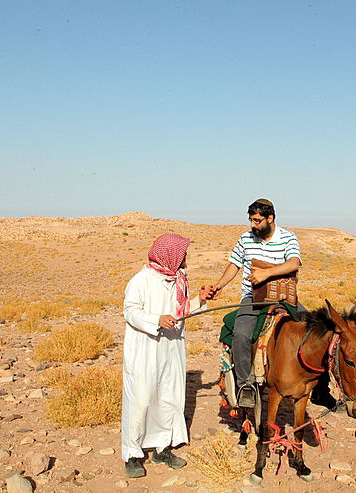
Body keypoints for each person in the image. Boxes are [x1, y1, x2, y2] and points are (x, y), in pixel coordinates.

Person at [206, 198, 337, 410]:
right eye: (251, 220)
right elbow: (234, 264)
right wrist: (219, 285)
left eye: (257, 221)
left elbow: (294, 263)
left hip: (283, 296)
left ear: (270, 218)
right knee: (240, 335)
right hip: (252, 297)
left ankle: (322, 389)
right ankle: (245, 386)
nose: (253, 225)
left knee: (319, 333)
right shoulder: (246, 238)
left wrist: (266, 273)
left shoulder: (287, 237)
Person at [121, 233, 206, 478]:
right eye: (182, 253)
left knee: (169, 396)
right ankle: (133, 454)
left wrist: (202, 299)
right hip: (145, 350)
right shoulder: (141, 280)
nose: (185, 257)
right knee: (141, 399)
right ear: (170, 255)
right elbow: (130, 312)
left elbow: (181, 310)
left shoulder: (178, 280)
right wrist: (156, 320)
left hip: (171, 348)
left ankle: (162, 448)